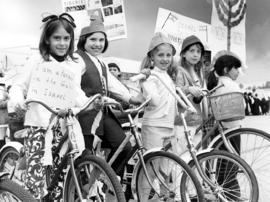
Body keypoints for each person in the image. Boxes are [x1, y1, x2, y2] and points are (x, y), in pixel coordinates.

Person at [8, 13, 90, 201]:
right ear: (47, 39)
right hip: (39, 125)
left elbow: (76, 93)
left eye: (66, 38)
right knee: (36, 179)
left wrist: (92, 102)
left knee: (59, 178)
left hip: (62, 128)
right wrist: (18, 101)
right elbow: (19, 85)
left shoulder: (73, 65)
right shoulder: (37, 60)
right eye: (57, 38)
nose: (62, 43)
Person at [74, 16, 142, 181]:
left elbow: (113, 84)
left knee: (124, 147)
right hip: (86, 115)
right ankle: (77, 192)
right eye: (93, 39)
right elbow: (72, 85)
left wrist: (131, 98)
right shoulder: (77, 59)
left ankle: (106, 181)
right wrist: (87, 103)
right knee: (84, 156)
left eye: (101, 40)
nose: (98, 44)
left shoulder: (101, 62)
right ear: (84, 40)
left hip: (104, 113)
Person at [139, 32, 179, 202]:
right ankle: (141, 197)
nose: (165, 59)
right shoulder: (150, 75)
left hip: (169, 126)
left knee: (167, 166)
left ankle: (164, 197)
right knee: (151, 167)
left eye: (168, 55)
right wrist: (145, 81)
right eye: (160, 55)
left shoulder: (167, 76)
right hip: (154, 126)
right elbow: (154, 101)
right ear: (152, 57)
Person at [207, 50, 243, 200]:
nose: (238, 72)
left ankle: (226, 195)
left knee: (224, 163)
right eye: (236, 68)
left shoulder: (217, 84)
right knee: (231, 165)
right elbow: (242, 105)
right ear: (227, 69)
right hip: (232, 128)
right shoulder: (230, 85)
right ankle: (232, 196)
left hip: (223, 128)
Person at [174, 35, 206, 153]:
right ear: (183, 54)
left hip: (196, 121)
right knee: (183, 158)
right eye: (191, 51)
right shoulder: (179, 71)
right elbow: (175, 91)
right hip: (183, 123)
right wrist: (188, 89)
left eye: (198, 51)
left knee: (196, 159)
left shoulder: (198, 73)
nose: (196, 54)